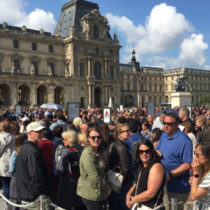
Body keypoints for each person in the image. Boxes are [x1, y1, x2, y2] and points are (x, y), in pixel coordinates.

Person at [156, 112, 193, 210]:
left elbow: (187, 164)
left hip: (178, 186)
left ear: (177, 124)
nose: (166, 126)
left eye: (169, 124)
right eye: (164, 123)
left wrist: (171, 175)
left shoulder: (185, 141)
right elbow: (158, 150)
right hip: (162, 183)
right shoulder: (164, 135)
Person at [15, 121, 51, 210]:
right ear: (30, 133)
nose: (41, 134)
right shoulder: (31, 151)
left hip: (29, 194)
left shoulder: (28, 148)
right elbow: (35, 176)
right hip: (33, 197)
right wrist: (42, 194)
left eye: (42, 131)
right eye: (38, 132)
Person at [77, 127, 111, 210]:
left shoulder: (97, 151)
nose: (96, 139)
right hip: (91, 194)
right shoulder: (87, 154)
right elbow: (94, 177)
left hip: (98, 192)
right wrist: (107, 188)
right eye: (93, 137)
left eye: (98, 137)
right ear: (88, 139)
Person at [126, 140, 165, 210]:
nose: (144, 154)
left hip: (151, 207)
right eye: (141, 152)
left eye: (147, 151)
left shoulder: (156, 167)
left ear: (152, 152)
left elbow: (151, 193)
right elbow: (137, 183)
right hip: (139, 205)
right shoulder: (142, 166)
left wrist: (133, 200)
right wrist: (128, 194)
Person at [106, 123, 134, 210]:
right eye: (126, 131)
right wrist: (131, 180)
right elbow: (126, 168)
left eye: (128, 130)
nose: (128, 133)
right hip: (122, 183)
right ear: (119, 133)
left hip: (113, 180)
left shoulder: (112, 144)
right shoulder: (121, 147)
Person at [56, 130, 84, 210]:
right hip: (80, 181)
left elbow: (60, 169)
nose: (63, 141)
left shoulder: (65, 151)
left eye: (64, 139)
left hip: (67, 181)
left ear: (69, 139)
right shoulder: (82, 149)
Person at [189, 142, 210, 209]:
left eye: (197, 155)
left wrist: (196, 174)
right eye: (195, 153)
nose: (195, 157)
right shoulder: (204, 170)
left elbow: (193, 196)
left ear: (207, 158)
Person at [8, 134, 27, 210]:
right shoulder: (26, 150)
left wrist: (11, 173)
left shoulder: (15, 151)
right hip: (24, 175)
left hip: (16, 175)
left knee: (13, 194)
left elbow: (12, 165)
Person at [0, 121, 15, 199]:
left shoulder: (1, 137)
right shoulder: (13, 137)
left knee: (5, 185)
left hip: (3, 162)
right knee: (10, 185)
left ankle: (8, 204)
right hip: (12, 162)